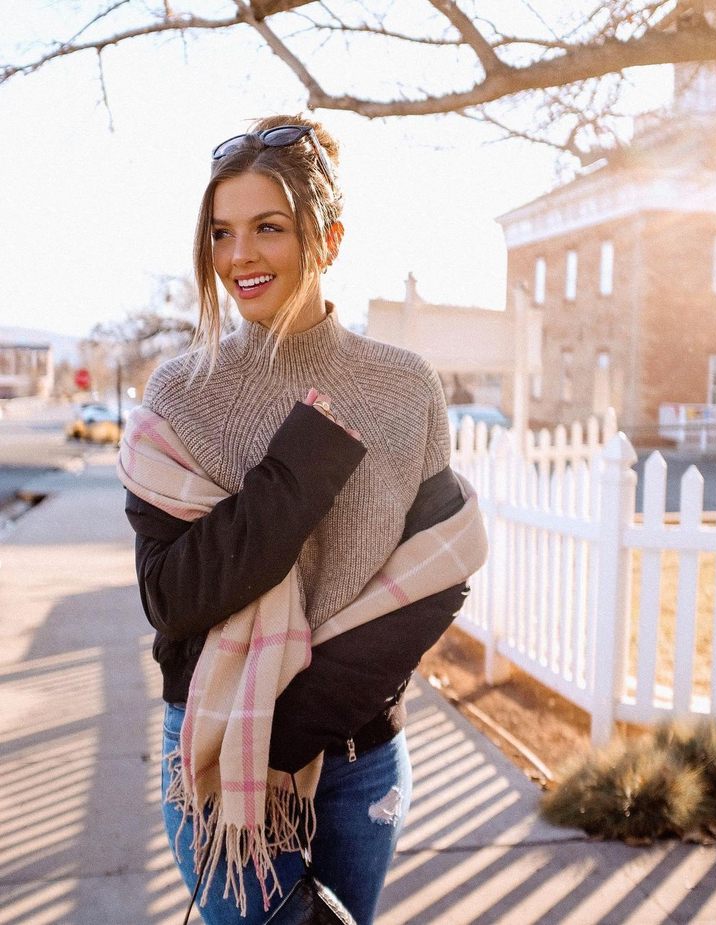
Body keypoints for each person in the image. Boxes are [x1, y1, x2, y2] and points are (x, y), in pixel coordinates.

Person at [117, 114, 487, 924]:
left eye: (268, 228)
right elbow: (173, 597)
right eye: (222, 232)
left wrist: (288, 732)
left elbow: (439, 576)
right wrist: (303, 464)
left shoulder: (404, 386)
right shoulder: (180, 392)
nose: (239, 255)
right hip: (220, 757)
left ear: (330, 237)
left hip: (362, 764)